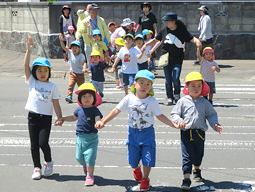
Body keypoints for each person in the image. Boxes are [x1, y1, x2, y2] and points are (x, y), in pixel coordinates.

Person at [95, 70, 180, 191]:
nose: (144, 86)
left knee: (148, 158)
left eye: (148, 84)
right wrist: (103, 122)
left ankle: (145, 179)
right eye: (141, 83)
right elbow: (116, 110)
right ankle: (136, 168)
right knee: (132, 160)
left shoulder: (152, 101)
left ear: (151, 86)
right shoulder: (129, 98)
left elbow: (160, 116)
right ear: (135, 83)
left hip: (147, 133)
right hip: (133, 133)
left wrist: (173, 124)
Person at [171, 71, 222, 190]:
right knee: (187, 156)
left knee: (198, 154)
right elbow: (174, 113)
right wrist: (179, 121)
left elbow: (211, 114)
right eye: (193, 86)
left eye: (199, 86)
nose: (196, 88)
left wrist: (215, 124)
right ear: (187, 87)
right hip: (186, 132)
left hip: (200, 133)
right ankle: (186, 179)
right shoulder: (182, 101)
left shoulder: (204, 102)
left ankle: (197, 169)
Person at [142, 12, 202, 105]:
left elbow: (191, 38)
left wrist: (197, 41)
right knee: (168, 79)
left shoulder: (181, 31)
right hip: (166, 59)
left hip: (177, 59)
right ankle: (170, 97)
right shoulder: (164, 30)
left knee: (176, 78)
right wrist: (146, 44)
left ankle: (177, 94)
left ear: (174, 21)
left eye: (168, 21)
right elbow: (156, 40)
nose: (166, 23)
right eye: (165, 21)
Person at [24, 36, 62, 180]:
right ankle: (37, 167)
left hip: (46, 118)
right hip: (32, 117)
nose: (42, 73)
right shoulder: (32, 81)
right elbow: (25, 67)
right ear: (35, 72)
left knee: (42, 142)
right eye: (39, 70)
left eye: (45, 70)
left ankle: (48, 161)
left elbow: (56, 104)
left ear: (49, 72)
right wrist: (28, 50)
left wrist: (60, 118)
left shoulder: (52, 86)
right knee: (34, 145)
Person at [55, 83, 103, 186]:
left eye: (90, 96)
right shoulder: (79, 109)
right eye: (84, 96)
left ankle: (90, 175)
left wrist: (98, 123)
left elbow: (97, 118)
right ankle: (85, 166)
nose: (87, 98)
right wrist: (63, 118)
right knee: (79, 158)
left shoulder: (95, 110)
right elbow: (73, 118)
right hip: (80, 138)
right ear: (80, 98)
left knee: (90, 157)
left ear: (94, 98)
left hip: (92, 138)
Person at [76, 3, 111, 69]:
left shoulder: (101, 20)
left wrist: (109, 40)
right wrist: (77, 36)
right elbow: (80, 30)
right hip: (89, 43)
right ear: (89, 11)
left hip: (98, 43)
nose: (96, 11)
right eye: (94, 10)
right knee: (90, 61)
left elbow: (106, 31)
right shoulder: (85, 21)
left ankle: (98, 73)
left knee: (99, 59)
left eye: (97, 10)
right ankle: (91, 74)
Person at [59, 34, 86, 103]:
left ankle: (82, 97)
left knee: (81, 87)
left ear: (79, 48)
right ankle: (69, 96)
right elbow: (64, 48)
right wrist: (61, 41)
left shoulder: (81, 55)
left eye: (76, 48)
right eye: (73, 47)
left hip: (80, 74)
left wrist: (84, 68)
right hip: (72, 73)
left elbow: (84, 62)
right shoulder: (70, 53)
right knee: (70, 85)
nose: (74, 49)